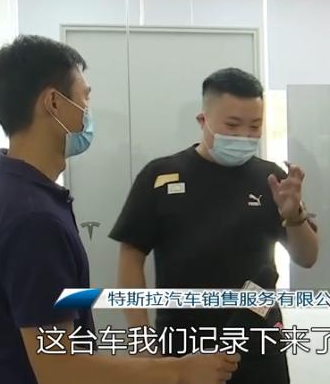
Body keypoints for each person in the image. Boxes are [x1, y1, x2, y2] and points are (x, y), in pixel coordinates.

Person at [0, 35, 239, 384]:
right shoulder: (35, 220)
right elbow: (60, 369)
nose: (88, 110)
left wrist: (3, 328)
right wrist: (178, 370)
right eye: (84, 97)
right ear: (54, 103)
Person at [110, 67, 319, 384]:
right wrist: (141, 338)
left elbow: (307, 257)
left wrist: (294, 216)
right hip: (183, 342)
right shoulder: (160, 176)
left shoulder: (272, 179)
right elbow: (131, 256)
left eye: (255, 126)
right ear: (203, 120)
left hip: (259, 339)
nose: (244, 136)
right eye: (232, 125)